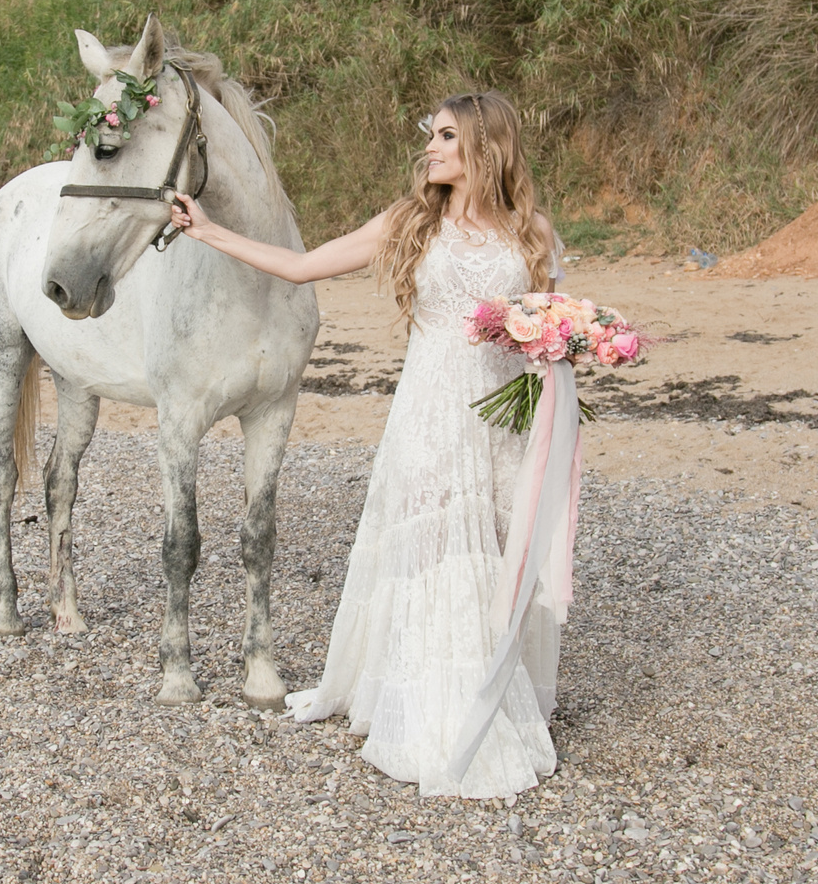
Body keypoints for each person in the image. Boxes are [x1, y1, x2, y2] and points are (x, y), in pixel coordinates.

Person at [168, 92, 565, 798]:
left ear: (485, 145)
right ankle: (435, 710)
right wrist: (207, 231)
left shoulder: (529, 229)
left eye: (447, 135)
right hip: (431, 410)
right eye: (434, 135)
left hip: (503, 412)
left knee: (493, 550)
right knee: (439, 551)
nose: (432, 146)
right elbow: (302, 265)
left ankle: (492, 694)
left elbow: (547, 322)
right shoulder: (412, 220)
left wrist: (569, 352)